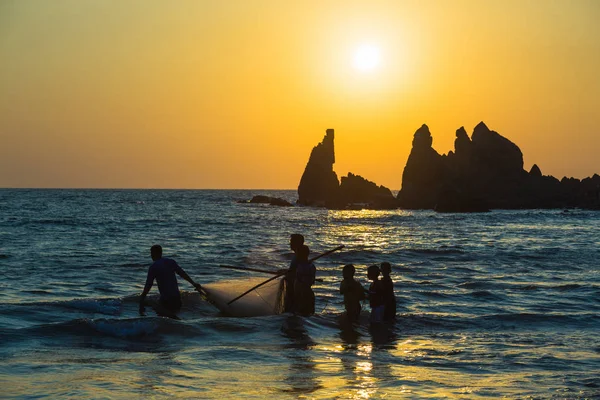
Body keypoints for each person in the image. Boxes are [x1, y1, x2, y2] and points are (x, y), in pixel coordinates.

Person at [139, 244, 203, 317]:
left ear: (154, 253)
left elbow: (149, 284)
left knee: (163, 320)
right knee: (172, 320)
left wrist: (142, 298)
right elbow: (182, 273)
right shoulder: (170, 262)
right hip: (177, 298)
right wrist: (193, 283)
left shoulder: (153, 266)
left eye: (151, 253)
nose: (151, 255)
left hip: (166, 300)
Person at [284, 233, 304, 313]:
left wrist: (287, 272)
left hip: (295, 288)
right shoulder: (297, 255)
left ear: (298, 242)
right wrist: (285, 271)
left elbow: (297, 272)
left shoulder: (300, 256)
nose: (290, 243)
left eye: (292, 241)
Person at [294, 244, 316, 316]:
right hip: (309, 293)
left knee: (300, 314)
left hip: (302, 294)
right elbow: (312, 281)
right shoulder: (312, 266)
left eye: (297, 253)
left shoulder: (300, 267)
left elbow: (300, 279)